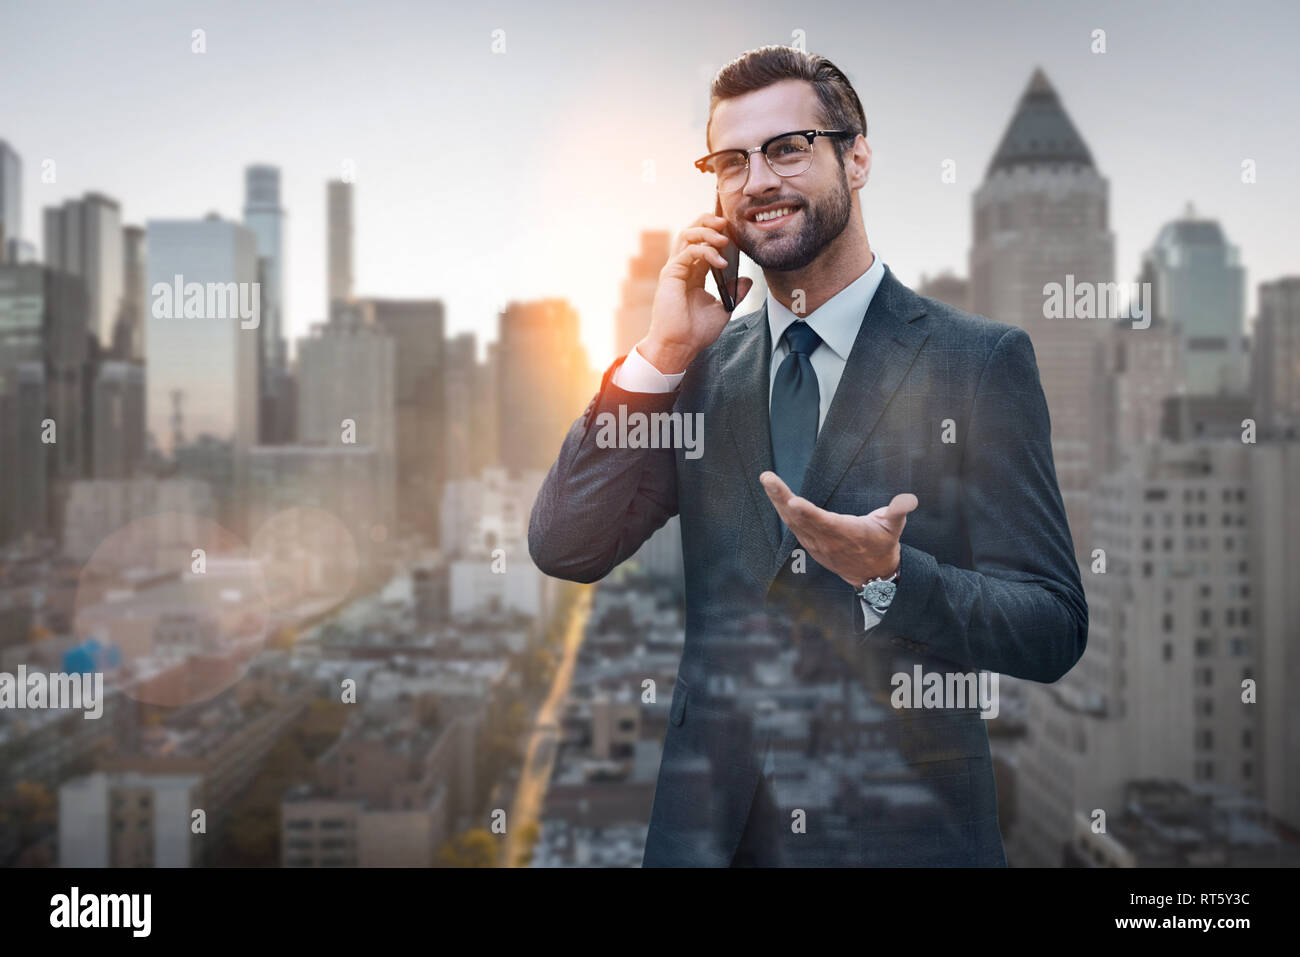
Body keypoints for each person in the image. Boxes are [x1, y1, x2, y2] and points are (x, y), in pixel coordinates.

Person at [529, 44, 1087, 866]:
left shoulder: (979, 362)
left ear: (856, 157)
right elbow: (566, 543)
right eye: (731, 160)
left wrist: (893, 578)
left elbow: (1052, 625)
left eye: (788, 147)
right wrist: (657, 352)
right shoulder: (698, 370)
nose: (757, 180)